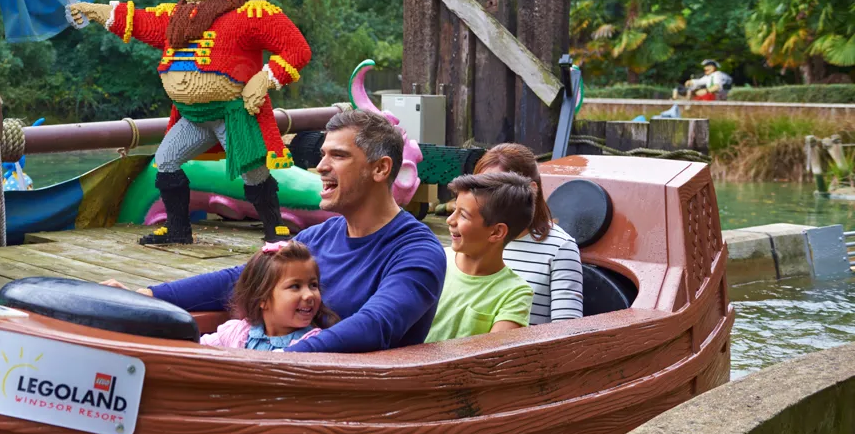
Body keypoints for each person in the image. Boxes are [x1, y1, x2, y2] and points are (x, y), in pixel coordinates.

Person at [105, 109, 447, 353]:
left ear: (380, 169)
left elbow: (376, 325)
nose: (321, 167)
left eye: (338, 156)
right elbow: (242, 278)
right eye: (322, 154)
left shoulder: (416, 251)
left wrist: (282, 359)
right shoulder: (318, 237)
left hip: (349, 401)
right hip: (284, 379)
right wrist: (145, 297)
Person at [70, 0, 311, 245]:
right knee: (166, 161)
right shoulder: (177, 17)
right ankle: (179, 230)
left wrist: (265, 78)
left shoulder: (254, 13)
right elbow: (140, 20)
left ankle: (276, 228)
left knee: (253, 171)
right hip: (193, 115)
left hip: (233, 114)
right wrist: (94, 10)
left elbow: (297, 50)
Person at [474, 143, 584, 324]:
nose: (483, 200)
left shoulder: (561, 248)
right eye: (478, 189)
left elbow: (567, 334)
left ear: (531, 190)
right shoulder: (472, 238)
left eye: (494, 190)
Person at [425, 173, 536, 342]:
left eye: (463, 215)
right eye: (454, 210)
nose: (449, 220)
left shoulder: (515, 293)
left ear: (497, 232)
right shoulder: (435, 260)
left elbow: (492, 356)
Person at [200, 241, 336, 351]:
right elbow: (196, 348)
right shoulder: (239, 333)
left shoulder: (312, 344)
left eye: (313, 285)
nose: (308, 295)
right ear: (262, 298)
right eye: (295, 286)